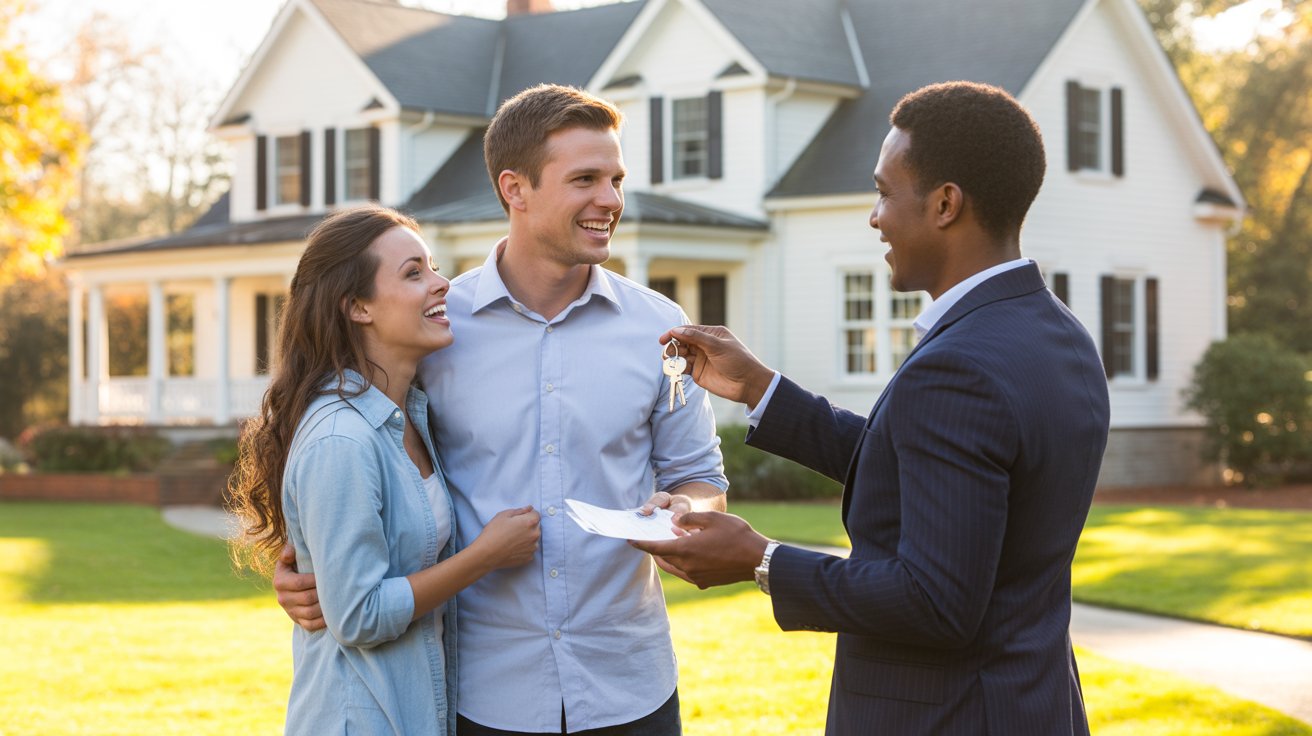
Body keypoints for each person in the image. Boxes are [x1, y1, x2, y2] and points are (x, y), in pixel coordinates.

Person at [632, 81, 1111, 735]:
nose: (874, 217)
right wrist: (762, 389)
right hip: (1033, 705)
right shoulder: (1056, 333)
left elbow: (935, 601)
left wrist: (761, 559)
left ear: (945, 204)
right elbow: (927, 467)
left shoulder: (958, 365)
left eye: (885, 192)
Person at [272, 84, 729, 735]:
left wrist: (686, 509)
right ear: (515, 189)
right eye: (585, 179)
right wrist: (302, 568)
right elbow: (352, 455)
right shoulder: (434, 326)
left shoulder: (658, 329)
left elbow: (702, 476)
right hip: (483, 693)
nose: (611, 200)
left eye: (616, 180)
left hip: (629, 684)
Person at [229, 205, 542, 736]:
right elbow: (358, 616)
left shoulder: (410, 415)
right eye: (413, 273)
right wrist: (486, 556)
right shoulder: (341, 439)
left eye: (433, 267)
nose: (442, 284)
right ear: (358, 307)